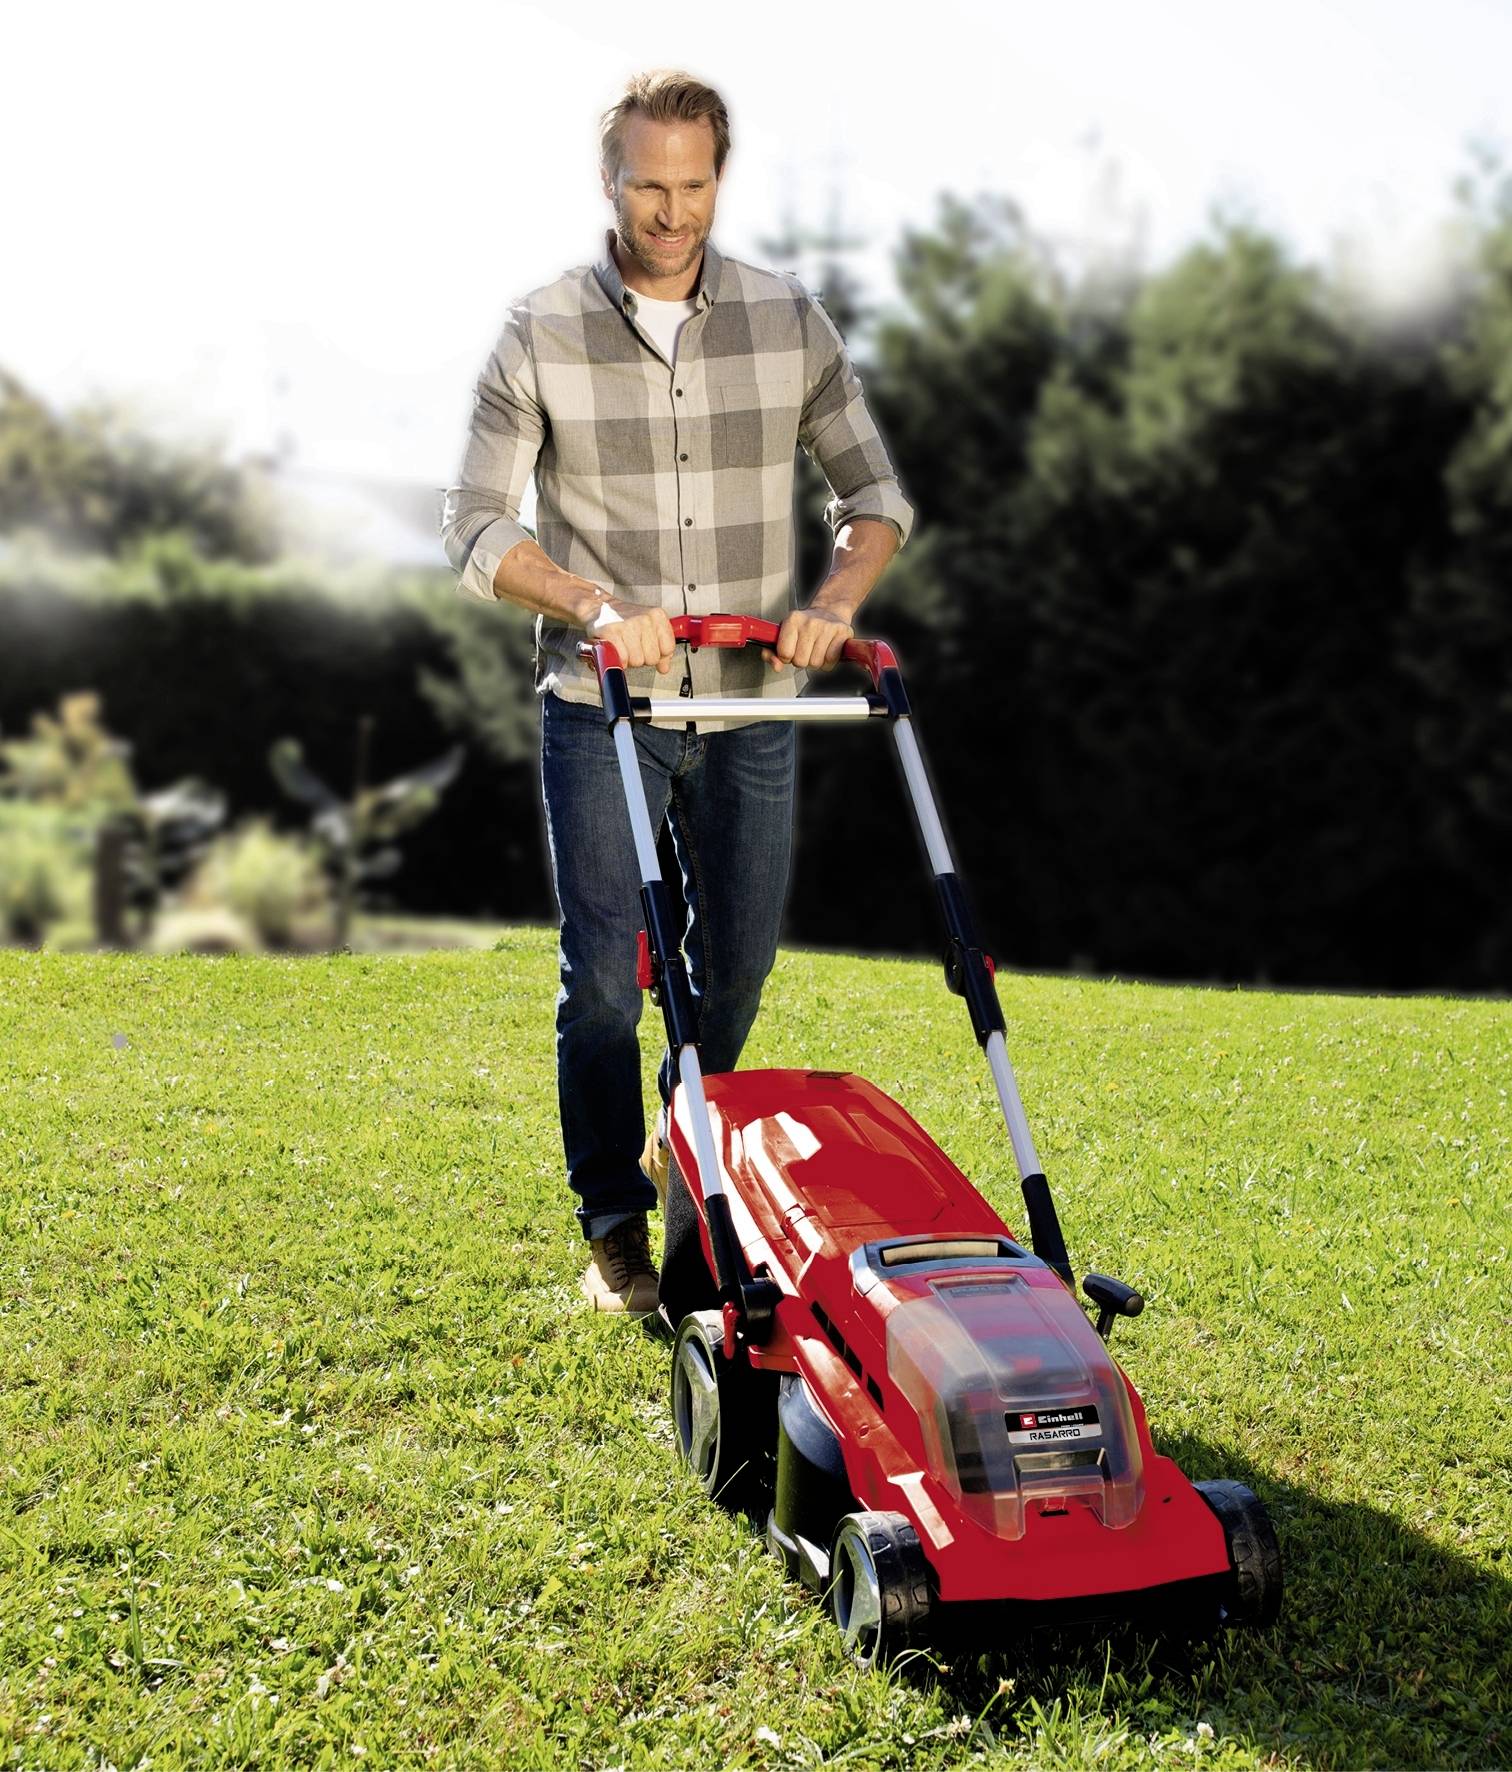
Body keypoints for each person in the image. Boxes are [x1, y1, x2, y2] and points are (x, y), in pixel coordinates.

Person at [440, 69, 913, 1314]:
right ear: (610, 183)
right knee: (603, 975)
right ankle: (614, 1224)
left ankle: (677, 1132)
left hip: (756, 705)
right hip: (604, 705)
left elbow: (876, 498)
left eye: (694, 184)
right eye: (649, 184)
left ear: (719, 177)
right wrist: (596, 606)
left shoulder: (787, 318)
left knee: (738, 968)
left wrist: (833, 606)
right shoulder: (539, 328)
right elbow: (476, 527)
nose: (672, 210)